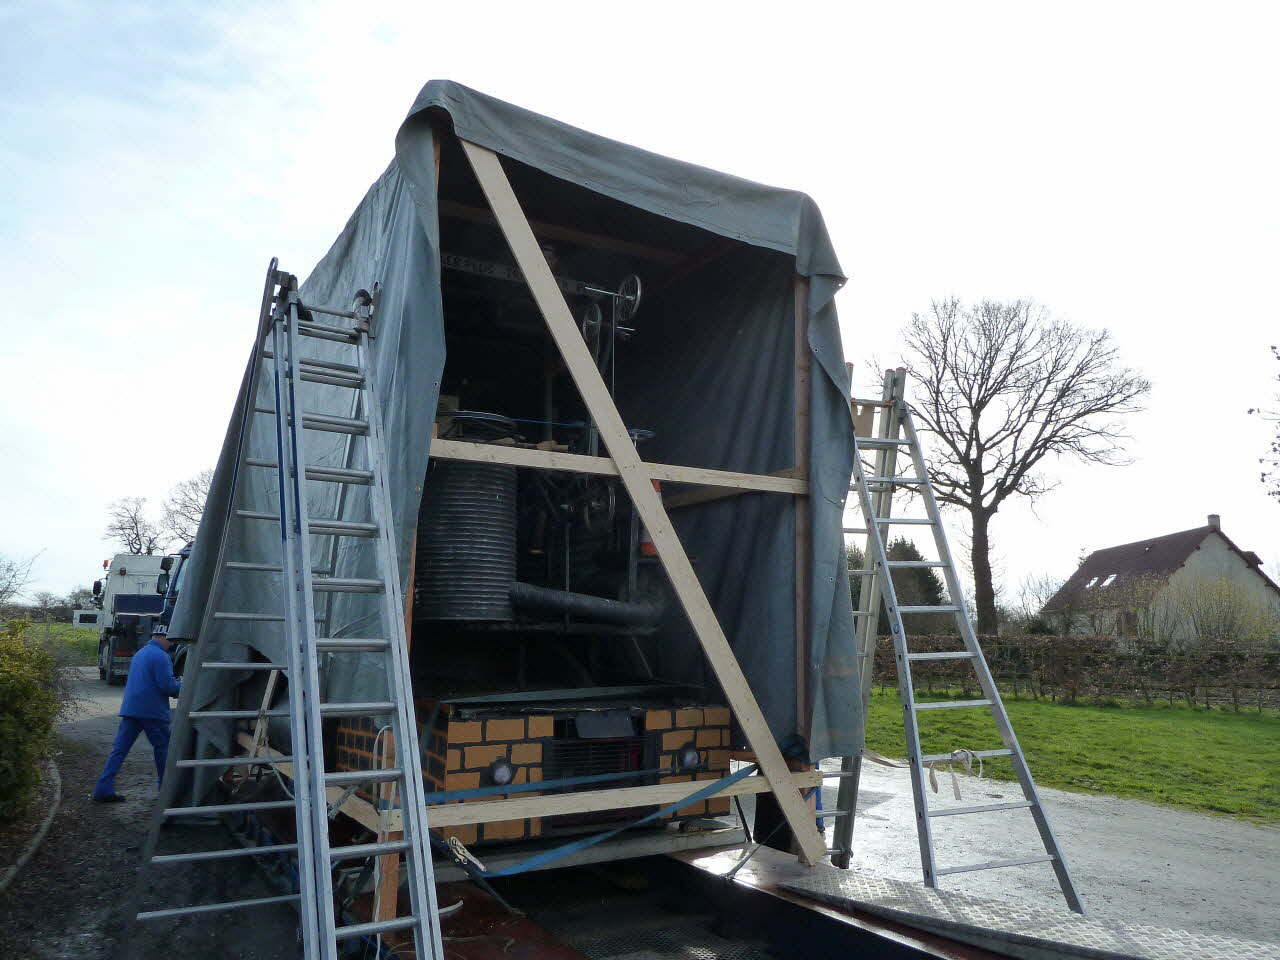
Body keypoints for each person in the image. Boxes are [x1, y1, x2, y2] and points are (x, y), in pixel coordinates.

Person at [91, 621, 181, 802]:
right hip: (152, 711)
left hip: (131, 709)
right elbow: (167, 686)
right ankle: (165, 790)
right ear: (163, 638)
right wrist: (184, 684)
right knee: (164, 749)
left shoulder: (140, 653)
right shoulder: (161, 657)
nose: (171, 643)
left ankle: (102, 789)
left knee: (119, 751)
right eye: (170, 640)